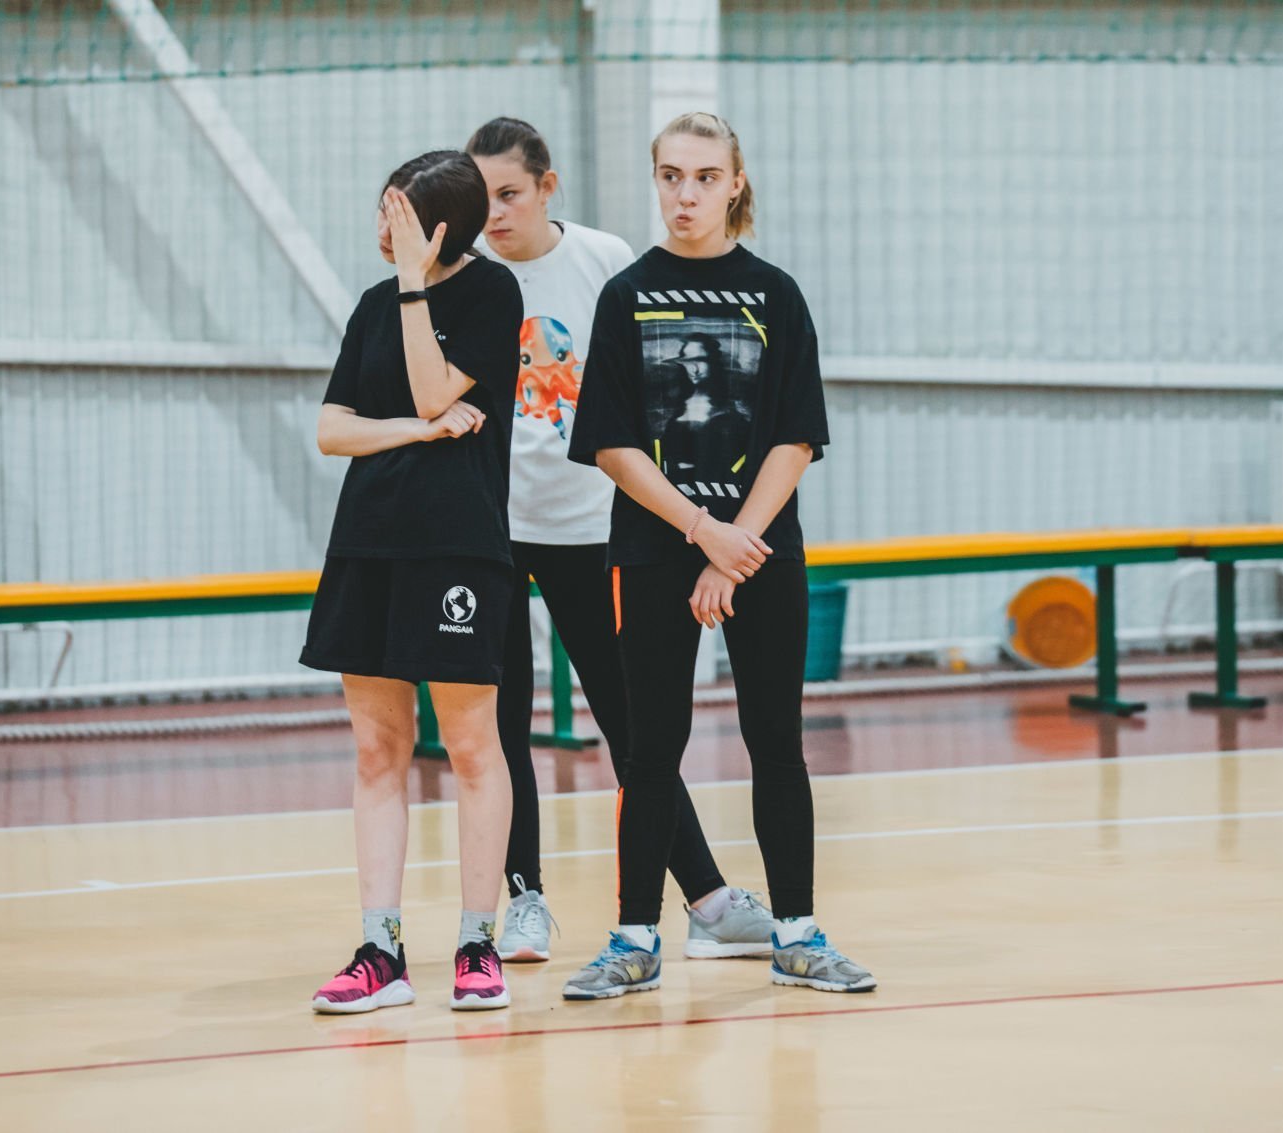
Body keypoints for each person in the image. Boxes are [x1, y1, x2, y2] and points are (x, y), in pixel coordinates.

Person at [561, 112, 876, 999]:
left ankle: (798, 934)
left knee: (777, 740)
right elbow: (614, 446)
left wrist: (735, 550)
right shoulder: (625, 295)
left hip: (762, 551)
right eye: (671, 176)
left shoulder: (777, 295)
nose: (686, 194)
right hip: (656, 550)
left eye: (704, 177)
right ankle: (634, 939)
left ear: (735, 183)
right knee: (650, 749)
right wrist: (704, 533)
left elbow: (795, 439)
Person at [466, 117, 775, 964]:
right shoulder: (465, 274)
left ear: (547, 187)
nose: (495, 214)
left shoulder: (604, 262)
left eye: (510, 194)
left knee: (636, 728)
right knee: (500, 727)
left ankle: (708, 901)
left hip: (589, 529)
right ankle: (524, 901)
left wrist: (690, 517)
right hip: (489, 530)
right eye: (480, 198)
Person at [300, 150, 523, 1013]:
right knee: (376, 749)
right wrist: (413, 434)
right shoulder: (371, 305)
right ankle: (380, 948)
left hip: (458, 547)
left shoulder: (491, 292)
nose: (379, 227)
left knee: (470, 746)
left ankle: (476, 941)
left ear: (434, 232)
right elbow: (333, 429)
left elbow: (436, 390)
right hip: (368, 542)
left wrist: (412, 284)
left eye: (395, 216)